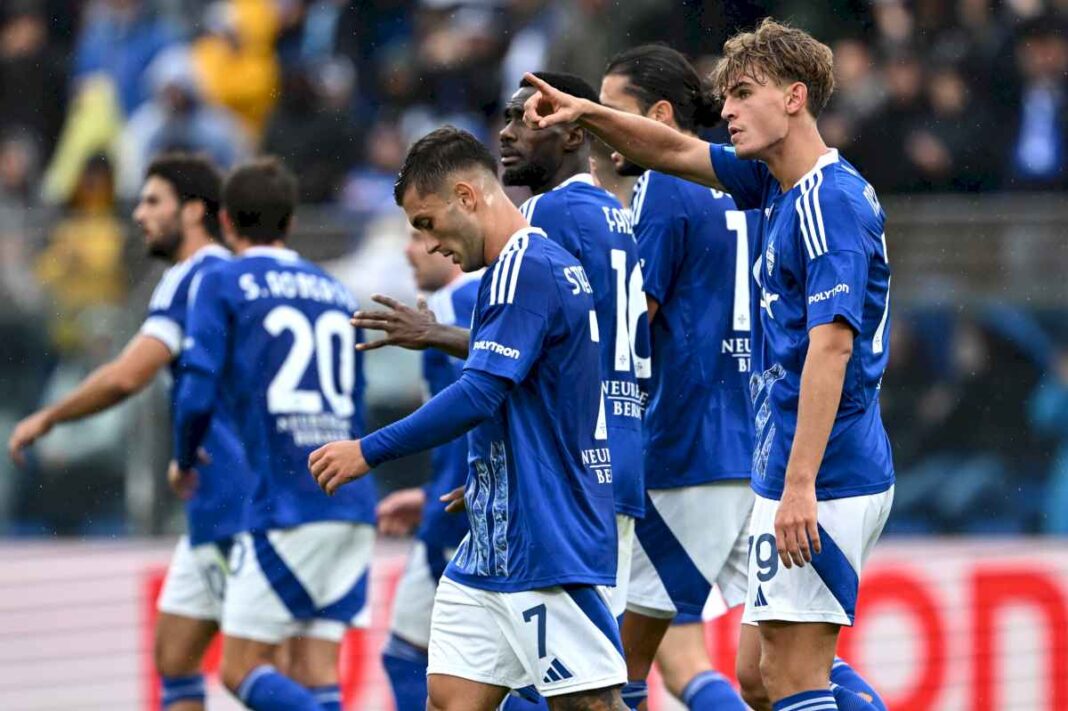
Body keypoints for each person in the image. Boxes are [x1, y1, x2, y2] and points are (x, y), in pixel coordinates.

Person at [521, 18, 894, 711]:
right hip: (772, 458)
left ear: (794, 96)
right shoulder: (774, 184)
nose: (724, 110)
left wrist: (801, 484)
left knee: (791, 676)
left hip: (824, 468)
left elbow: (833, 345)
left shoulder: (829, 202)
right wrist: (590, 115)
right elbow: (675, 150)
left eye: (742, 93)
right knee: (756, 674)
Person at [310, 126, 627, 711]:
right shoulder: (516, 271)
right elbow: (531, 397)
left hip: (545, 538)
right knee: (451, 700)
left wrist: (367, 451)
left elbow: (479, 394)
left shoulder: (524, 265)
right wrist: (489, 473)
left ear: (467, 195)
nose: (429, 246)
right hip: (491, 543)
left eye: (427, 224)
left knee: (593, 705)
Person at [8, 153, 250, 711]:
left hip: (232, 495)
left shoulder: (189, 278)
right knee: (175, 652)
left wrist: (49, 416)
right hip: (223, 490)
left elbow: (126, 377)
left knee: (253, 668)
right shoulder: (235, 273)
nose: (138, 214)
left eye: (152, 201)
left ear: (193, 212)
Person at [172, 158, 375, 711]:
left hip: (287, 502)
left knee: (240, 670)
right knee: (314, 670)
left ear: (227, 224)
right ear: (289, 223)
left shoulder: (223, 280)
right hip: (350, 498)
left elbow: (194, 393)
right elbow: (357, 402)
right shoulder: (334, 289)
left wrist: (183, 458)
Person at [599, 44, 753, 711]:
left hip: (686, 451)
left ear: (659, 115)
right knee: (786, 670)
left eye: (611, 113)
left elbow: (633, 325)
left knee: (607, 670)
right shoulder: (749, 179)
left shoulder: (665, 186)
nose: (600, 130)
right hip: (749, 445)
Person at [378, 228, 481, 710]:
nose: (408, 248)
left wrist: (465, 485)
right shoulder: (472, 299)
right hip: (456, 499)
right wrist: (428, 493)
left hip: (463, 514)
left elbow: (477, 405)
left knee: (412, 655)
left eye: (420, 234)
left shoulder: (456, 304)